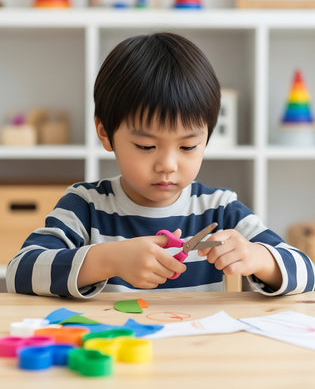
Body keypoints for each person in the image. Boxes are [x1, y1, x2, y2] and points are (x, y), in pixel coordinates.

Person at [6, 32, 315, 298]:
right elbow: (19, 272)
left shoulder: (219, 209)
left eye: (188, 146)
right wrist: (106, 260)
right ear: (105, 133)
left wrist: (258, 258)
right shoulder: (86, 206)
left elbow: (306, 271)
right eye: (146, 146)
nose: (167, 165)